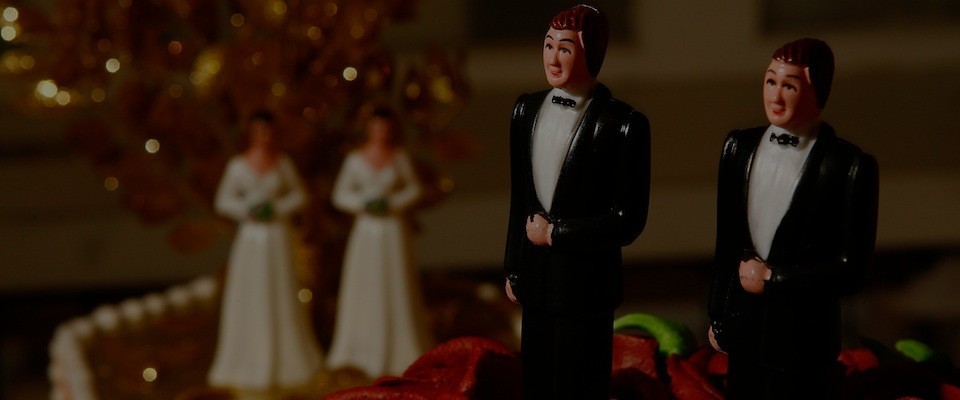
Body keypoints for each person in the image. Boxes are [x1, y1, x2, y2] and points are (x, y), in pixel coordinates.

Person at [707, 38, 879, 400]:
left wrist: (775, 279)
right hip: (743, 329)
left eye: (790, 86)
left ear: (818, 92)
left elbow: (851, 270)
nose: (776, 96)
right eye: (770, 81)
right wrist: (718, 315)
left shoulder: (849, 166)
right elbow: (726, 241)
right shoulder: (738, 148)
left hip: (804, 339)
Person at [503, 4, 650, 399]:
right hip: (535, 279)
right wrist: (514, 266)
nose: (552, 58)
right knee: (537, 378)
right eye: (548, 45)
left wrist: (557, 233)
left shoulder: (623, 125)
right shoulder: (526, 110)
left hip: (587, 285)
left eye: (565, 49)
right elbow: (520, 200)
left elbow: (628, 220)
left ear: (592, 54)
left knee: (580, 381)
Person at [208, 110, 323, 390]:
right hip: (251, 238)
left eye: (269, 131)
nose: (264, 136)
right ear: (251, 132)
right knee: (251, 289)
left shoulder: (283, 165)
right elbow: (223, 201)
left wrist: (276, 208)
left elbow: (299, 195)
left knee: (280, 286)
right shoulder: (238, 166)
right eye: (259, 131)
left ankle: (287, 358)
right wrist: (247, 209)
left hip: (277, 237)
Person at [326, 107, 432, 378]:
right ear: (368, 128)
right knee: (365, 280)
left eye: (385, 127)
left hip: (392, 230)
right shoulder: (355, 160)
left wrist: (392, 203)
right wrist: (363, 204)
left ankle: (401, 348)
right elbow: (340, 194)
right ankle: (359, 349)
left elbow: (414, 189)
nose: (381, 132)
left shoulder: (399, 157)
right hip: (366, 230)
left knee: (395, 279)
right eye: (376, 127)